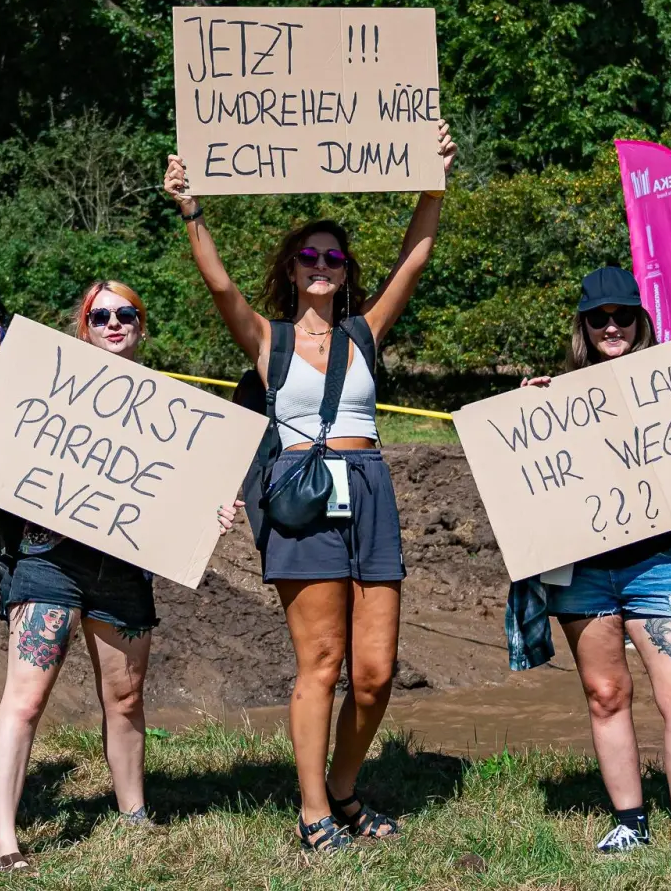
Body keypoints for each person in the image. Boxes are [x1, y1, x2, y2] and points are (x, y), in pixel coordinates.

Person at [162, 124, 455, 853]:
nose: (321, 266)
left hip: (371, 491)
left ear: (345, 272)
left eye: (333, 258)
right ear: (292, 271)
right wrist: (192, 209)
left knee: (376, 674)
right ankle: (315, 810)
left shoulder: (364, 333)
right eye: (309, 257)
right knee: (321, 664)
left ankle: (346, 788)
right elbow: (220, 285)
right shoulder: (269, 341)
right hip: (303, 498)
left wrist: (432, 184)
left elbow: (415, 260)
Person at [0, 280, 239, 873]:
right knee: (25, 699)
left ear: (142, 324)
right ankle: (4, 841)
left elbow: (190, 494)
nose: (114, 323)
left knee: (126, 698)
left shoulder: (175, 412)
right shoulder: (39, 381)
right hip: (48, 564)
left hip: (123, 571)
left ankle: (134, 817)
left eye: (126, 314)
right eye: (100, 316)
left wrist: (213, 513)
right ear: (82, 326)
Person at [521, 268, 671, 865]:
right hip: (583, 571)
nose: (612, 327)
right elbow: (528, 476)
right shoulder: (554, 401)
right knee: (605, 694)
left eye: (623, 316)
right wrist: (524, 414)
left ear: (640, 322)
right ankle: (630, 823)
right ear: (583, 326)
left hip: (660, 563)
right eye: (599, 318)